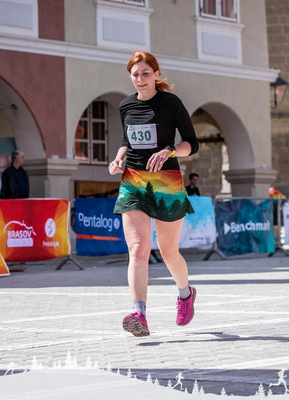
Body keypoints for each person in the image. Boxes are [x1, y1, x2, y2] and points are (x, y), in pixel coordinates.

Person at [108, 50, 200, 337]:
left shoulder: (171, 103)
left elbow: (191, 143)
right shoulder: (125, 105)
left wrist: (169, 150)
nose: (140, 79)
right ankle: (139, 313)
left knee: (168, 251)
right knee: (137, 248)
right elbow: (126, 139)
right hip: (133, 179)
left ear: (156, 74)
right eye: (135, 74)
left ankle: (185, 293)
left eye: (145, 73)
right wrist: (119, 158)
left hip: (166, 181)